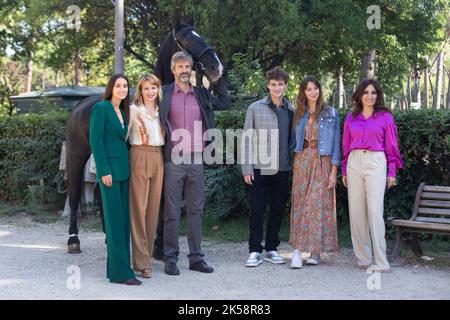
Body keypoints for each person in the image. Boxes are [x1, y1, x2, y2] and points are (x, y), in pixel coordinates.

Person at [160, 51, 230, 276]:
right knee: (171, 211)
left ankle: (196, 258)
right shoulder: (164, 94)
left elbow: (225, 102)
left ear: (191, 69)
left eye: (187, 66)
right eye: (179, 66)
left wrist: (215, 79)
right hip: (174, 159)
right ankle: (170, 258)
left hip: (197, 159)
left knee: (196, 210)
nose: (183, 70)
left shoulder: (201, 94)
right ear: (173, 70)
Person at [342, 79, 404, 272]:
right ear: (360, 95)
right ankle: (363, 257)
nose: (370, 96)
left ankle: (381, 260)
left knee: (375, 211)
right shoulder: (351, 118)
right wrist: (344, 169)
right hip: (354, 162)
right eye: (366, 92)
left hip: (376, 162)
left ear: (378, 95)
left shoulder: (385, 117)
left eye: (374, 92)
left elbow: (392, 146)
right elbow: (345, 146)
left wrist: (391, 171)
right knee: (356, 211)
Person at [89, 74, 141, 285]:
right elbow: (96, 140)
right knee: (114, 223)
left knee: (123, 222)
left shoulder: (124, 111)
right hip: (109, 172)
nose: (122, 89)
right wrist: (104, 170)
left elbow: (123, 140)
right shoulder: (101, 108)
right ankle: (122, 274)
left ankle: (117, 269)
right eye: (118, 85)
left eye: (125, 86)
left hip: (124, 171)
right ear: (111, 88)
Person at [242, 67, 295, 268]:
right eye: (273, 84)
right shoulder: (255, 108)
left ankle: (272, 248)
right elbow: (247, 139)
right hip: (259, 167)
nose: (277, 87)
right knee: (256, 209)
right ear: (268, 85)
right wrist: (246, 167)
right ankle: (254, 250)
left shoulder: (291, 110)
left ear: (285, 86)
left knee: (277, 209)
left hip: (281, 168)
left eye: (280, 84)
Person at [289, 76, 340, 269]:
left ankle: (315, 251)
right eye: (309, 89)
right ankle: (297, 251)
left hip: (323, 161)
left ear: (320, 90)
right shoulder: (298, 113)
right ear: (303, 92)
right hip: (302, 160)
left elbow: (336, 144)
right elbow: (292, 139)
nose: (313, 92)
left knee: (317, 205)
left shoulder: (330, 113)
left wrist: (333, 171)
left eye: (316, 88)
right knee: (301, 204)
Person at [127, 74, 165, 279]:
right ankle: (142, 262)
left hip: (158, 157)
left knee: (152, 211)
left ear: (158, 90)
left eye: (153, 88)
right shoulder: (133, 111)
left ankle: (146, 257)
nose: (150, 92)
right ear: (140, 91)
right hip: (139, 155)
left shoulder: (160, 111)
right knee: (138, 210)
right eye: (146, 88)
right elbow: (122, 136)